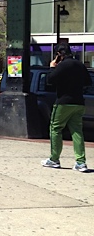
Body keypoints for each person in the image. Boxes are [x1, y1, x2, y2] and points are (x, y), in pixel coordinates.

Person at [43, 44, 91, 172]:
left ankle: (54, 159)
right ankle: (81, 162)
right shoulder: (80, 65)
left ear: (59, 54)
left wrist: (52, 68)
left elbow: (50, 80)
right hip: (79, 102)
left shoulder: (62, 66)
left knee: (55, 128)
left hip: (63, 102)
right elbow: (88, 82)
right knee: (77, 131)